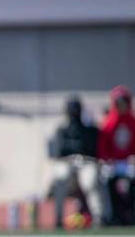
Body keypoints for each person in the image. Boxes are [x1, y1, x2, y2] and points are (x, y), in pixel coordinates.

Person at [48, 96, 100, 228]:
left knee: (90, 181)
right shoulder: (62, 130)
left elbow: (94, 150)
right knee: (61, 178)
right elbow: (57, 152)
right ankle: (58, 219)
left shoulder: (89, 129)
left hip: (86, 161)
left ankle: (99, 218)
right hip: (66, 162)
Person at [97, 85, 135, 225]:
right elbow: (102, 146)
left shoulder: (132, 122)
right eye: (118, 103)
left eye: (124, 103)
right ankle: (112, 215)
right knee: (106, 178)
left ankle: (131, 213)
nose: (121, 106)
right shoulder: (109, 122)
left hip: (128, 162)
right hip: (112, 162)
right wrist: (106, 159)